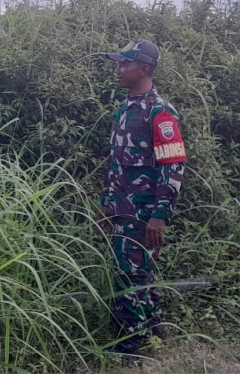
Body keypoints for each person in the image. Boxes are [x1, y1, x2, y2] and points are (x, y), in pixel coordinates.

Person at [99, 39, 186, 358]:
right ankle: (153, 333)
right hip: (121, 209)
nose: (118, 70)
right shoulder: (124, 110)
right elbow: (115, 162)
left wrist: (160, 214)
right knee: (138, 273)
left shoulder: (160, 112)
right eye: (118, 63)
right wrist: (106, 203)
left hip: (145, 214)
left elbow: (173, 164)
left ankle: (132, 347)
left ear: (145, 69)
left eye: (125, 64)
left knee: (130, 275)